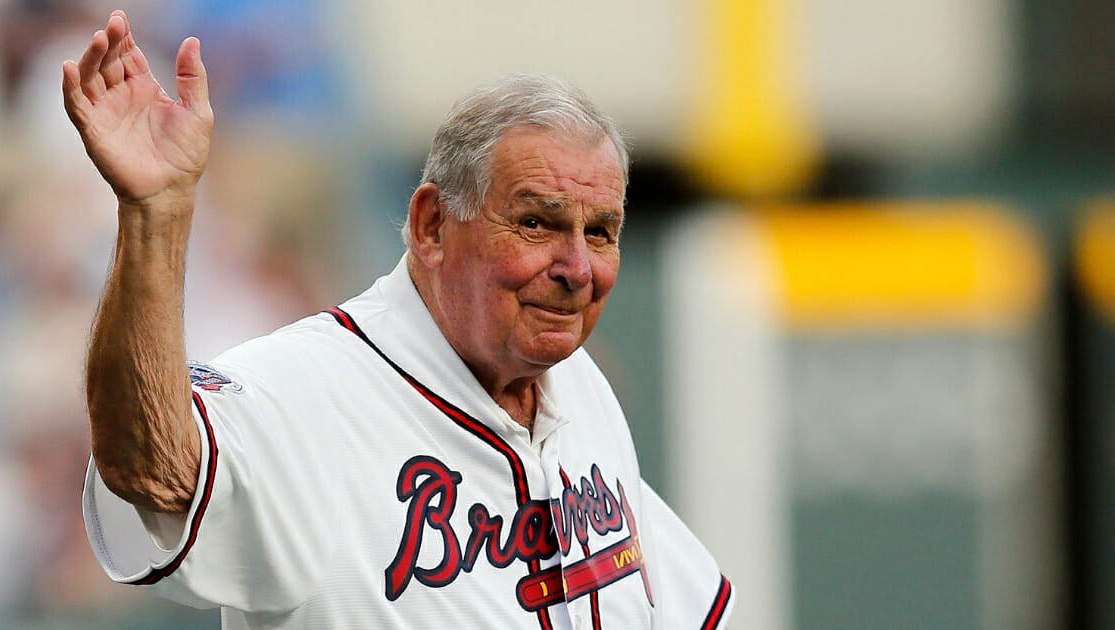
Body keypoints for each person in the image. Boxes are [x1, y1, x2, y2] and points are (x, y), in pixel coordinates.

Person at [64, 10, 734, 630]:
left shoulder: (579, 389)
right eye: (537, 222)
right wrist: (155, 213)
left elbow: (688, 605)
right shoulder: (308, 390)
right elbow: (149, 468)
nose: (577, 268)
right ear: (433, 224)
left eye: (600, 232)